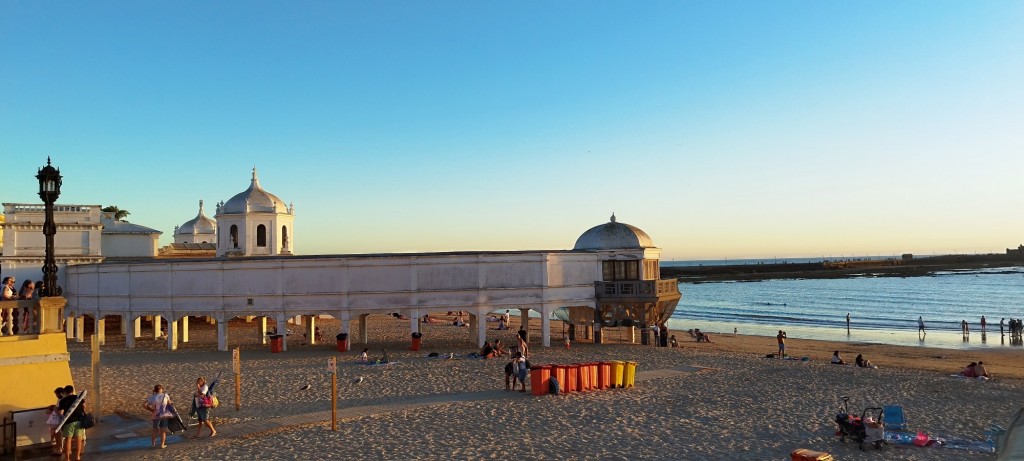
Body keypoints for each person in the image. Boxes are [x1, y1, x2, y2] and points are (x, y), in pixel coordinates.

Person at [58, 384, 86, 461]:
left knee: (68, 440)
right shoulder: (79, 398)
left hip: (68, 422)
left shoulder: (63, 401)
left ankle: (67, 458)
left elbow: (60, 413)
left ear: (65, 392)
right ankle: (77, 456)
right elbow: (84, 406)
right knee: (79, 439)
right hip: (79, 421)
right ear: (72, 391)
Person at [145, 384, 172, 449]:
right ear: (161, 389)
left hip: (155, 415)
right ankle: (162, 445)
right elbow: (169, 404)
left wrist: (151, 410)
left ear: (155, 390)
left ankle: (153, 444)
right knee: (163, 430)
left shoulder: (152, 397)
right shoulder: (165, 395)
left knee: (155, 430)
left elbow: (144, 405)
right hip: (163, 415)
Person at [46, 387, 65, 456]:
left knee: (58, 435)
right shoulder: (64, 399)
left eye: (56, 394)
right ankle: (62, 448)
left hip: (59, 420)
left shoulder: (61, 400)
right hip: (61, 419)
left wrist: (54, 408)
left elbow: (59, 412)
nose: (56, 396)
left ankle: (59, 449)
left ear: (60, 393)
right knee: (61, 435)